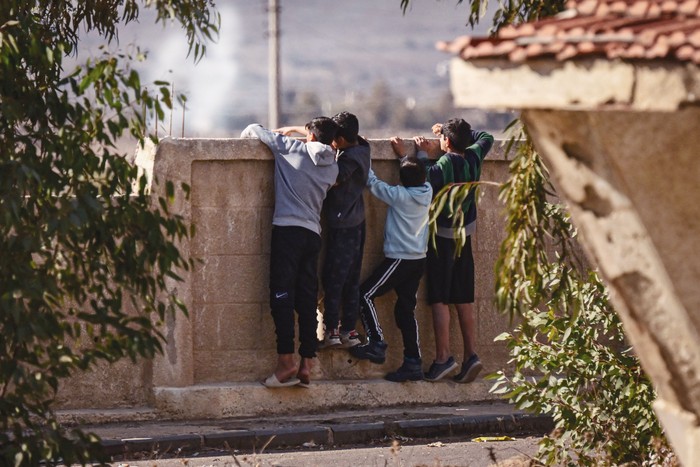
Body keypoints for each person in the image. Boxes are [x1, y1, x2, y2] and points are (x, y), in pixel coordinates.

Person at [391, 118, 493, 383]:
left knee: (440, 298)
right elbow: (487, 137)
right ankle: (471, 355)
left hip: (442, 238)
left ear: (446, 142)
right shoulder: (474, 156)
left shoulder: (446, 163)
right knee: (464, 298)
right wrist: (456, 133)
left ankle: (443, 358)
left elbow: (422, 180)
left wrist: (413, 155)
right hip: (465, 235)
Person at [240, 118, 339, 388]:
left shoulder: (290, 149)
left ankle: (286, 362)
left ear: (309, 137)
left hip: (287, 232)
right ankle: (307, 362)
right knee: (306, 301)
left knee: (281, 297)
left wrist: (287, 135)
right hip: (312, 235)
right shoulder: (333, 167)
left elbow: (253, 130)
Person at [349, 156, 433, 382]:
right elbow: (421, 171)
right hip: (418, 258)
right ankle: (413, 362)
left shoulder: (400, 196)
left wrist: (363, 154)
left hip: (399, 259)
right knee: (405, 311)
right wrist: (409, 156)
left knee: (364, 294)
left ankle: (376, 342)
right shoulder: (428, 190)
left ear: (402, 181)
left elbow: (374, 184)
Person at [318, 111, 371, 349]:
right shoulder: (362, 147)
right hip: (357, 221)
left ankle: (333, 330)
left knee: (335, 278)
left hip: (344, 225)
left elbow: (332, 178)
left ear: (337, 141)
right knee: (351, 278)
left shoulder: (348, 160)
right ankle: (349, 329)